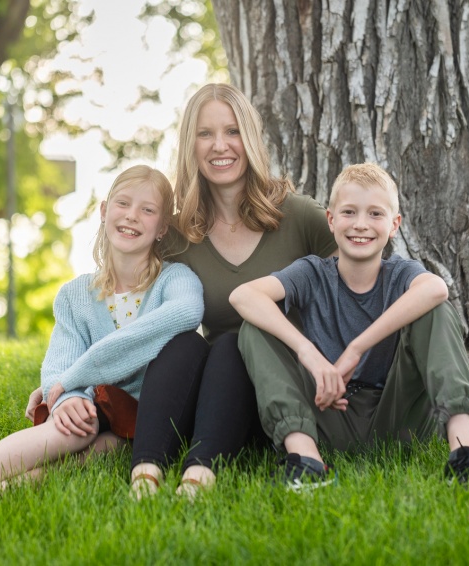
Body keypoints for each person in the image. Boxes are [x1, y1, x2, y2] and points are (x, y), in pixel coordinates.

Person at [0, 165, 206, 517]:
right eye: (123, 203)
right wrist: (67, 396)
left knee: (89, 455)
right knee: (72, 428)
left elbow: (187, 312)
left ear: (162, 228)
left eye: (148, 209)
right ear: (104, 211)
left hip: (147, 420)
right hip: (96, 405)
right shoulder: (75, 295)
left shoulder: (176, 280)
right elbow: (59, 364)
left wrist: (76, 377)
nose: (132, 216)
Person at [131, 83, 337, 496]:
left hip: (287, 389)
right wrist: (67, 383)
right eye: (205, 134)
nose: (219, 146)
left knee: (233, 342)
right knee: (185, 344)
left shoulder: (299, 216)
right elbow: (132, 316)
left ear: (251, 138)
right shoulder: (177, 234)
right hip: (219, 398)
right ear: (190, 145)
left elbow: (360, 282)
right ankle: (145, 475)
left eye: (232, 131)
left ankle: (200, 477)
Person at [230, 162, 469, 490]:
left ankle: (465, 453)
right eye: (349, 212)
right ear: (331, 220)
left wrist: (357, 347)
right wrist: (309, 354)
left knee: (436, 311)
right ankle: (306, 460)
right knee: (256, 328)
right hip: (328, 412)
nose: (361, 225)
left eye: (375, 214)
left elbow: (437, 289)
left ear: (394, 225)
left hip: (398, 417)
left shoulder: (400, 273)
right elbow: (243, 296)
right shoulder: (312, 273)